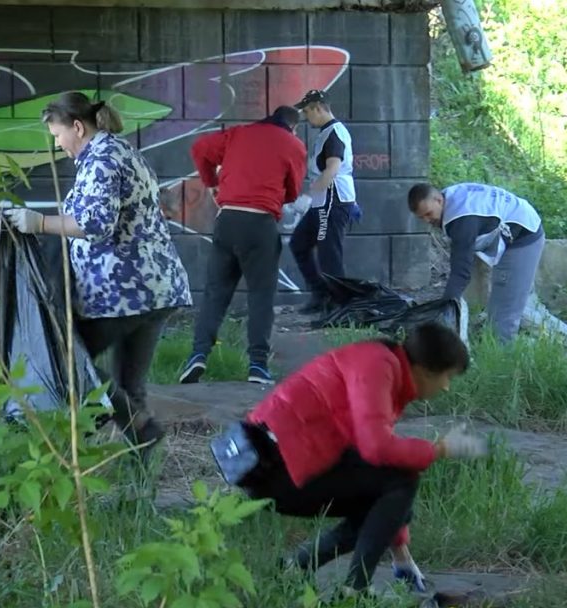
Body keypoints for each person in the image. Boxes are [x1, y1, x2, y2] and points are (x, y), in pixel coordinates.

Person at [219, 322, 487, 598]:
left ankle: (295, 566)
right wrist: (438, 450)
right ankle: (354, 591)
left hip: (280, 463)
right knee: (403, 480)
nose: (445, 388)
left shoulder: (387, 364)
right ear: (425, 370)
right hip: (272, 469)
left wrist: (401, 552)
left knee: (394, 490)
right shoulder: (378, 366)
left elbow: (381, 476)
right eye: (447, 377)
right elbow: (377, 449)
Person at [3, 91, 192, 454]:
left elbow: (96, 224)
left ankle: (124, 434)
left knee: (67, 359)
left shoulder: (102, 159)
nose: (58, 144)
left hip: (121, 293)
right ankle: (139, 480)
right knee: (129, 384)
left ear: (77, 127)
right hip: (156, 288)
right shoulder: (120, 152)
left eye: (58, 135)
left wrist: (39, 222)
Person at [178, 106, 307, 386]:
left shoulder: (238, 133)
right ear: (292, 127)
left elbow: (200, 148)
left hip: (227, 219)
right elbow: (293, 191)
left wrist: (212, 183)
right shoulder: (293, 145)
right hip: (260, 224)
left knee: (215, 292)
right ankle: (258, 366)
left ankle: (198, 354)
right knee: (261, 296)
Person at [408, 182, 545, 343]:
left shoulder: (461, 221)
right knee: (513, 300)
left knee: (503, 312)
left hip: (524, 236)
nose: (427, 220)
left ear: (438, 200)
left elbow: (461, 272)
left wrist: (445, 307)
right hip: (515, 221)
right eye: (421, 217)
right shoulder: (448, 198)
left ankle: (501, 356)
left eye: (428, 214)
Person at [290, 89, 362, 316]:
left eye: (307, 112)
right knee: (299, 244)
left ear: (318, 108)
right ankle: (321, 295)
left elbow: (333, 168)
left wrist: (310, 196)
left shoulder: (334, 133)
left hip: (332, 202)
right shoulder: (326, 133)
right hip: (323, 203)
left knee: (329, 255)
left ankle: (340, 308)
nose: (306, 117)